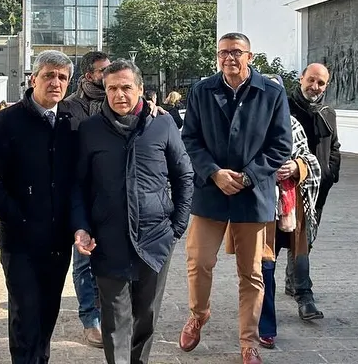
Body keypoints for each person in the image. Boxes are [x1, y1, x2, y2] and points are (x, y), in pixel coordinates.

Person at [179, 33, 292, 364]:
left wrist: (248, 176)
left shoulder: (271, 92)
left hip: (252, 194)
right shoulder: (202, 90)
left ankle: (248, 340)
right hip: (210, 191)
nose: (229, 58)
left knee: (251, 272)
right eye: (223, 53)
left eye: (236, 52)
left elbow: (280, 145)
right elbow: (191, 138)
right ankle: (198, 315)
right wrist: (214, 172)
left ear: (250, 56)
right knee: (198, 261)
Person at [73, 60, 193, 364]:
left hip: (155, 239)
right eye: (112, 88)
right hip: (108, 239)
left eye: (126, 87)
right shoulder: (90, 130)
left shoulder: (162, 124)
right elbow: (78, 186)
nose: (119, 94)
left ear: (140, 89)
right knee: (114, 319)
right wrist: (82, 226)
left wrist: (176, 227)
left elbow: (184, 176)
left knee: (146, 316)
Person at [0, 50, 78, 364]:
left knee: (48, 314)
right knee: (25, 315)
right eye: (48, 75)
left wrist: (150, 108)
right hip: (21, 242)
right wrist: (18, 219)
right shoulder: (8, 121)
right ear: (33, 79)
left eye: (62, 77)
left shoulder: (73, 120)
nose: (55, 83)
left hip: (58, 242)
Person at [254, 110, 322, 349]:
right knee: (265, 268)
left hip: (290, 208)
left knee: (298, 255)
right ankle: (266, 326)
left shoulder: (291, 123)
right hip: (259, 206)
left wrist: (296, 166)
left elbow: (309, 159)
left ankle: (304, 296)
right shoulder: (249, 120)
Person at [63, 50, 112, 348]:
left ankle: (110, 315)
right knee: (83, 260)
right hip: (81, 193)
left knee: (111, 258)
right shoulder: (69, 107)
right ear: (88, 75)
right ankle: (89, 320)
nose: (109, 75)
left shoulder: (118, 102)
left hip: (111, 194)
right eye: (103, 71)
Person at [283, 63, 341, 297]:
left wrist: (330, 173)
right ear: (301, 79)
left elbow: (334, 147)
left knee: (307, 237)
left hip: (318, 186)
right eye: (311, 80)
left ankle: (292, 281)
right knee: (291, 236)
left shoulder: (328, 112)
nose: (315, 87)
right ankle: (300, 290)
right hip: (290, 185)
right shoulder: (284, 107)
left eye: (320, 83)